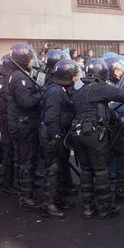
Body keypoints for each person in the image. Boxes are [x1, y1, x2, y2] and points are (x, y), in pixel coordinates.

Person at [71, 59, 124, 219]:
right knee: (101, 170)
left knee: (86, 170)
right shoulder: (100, 87)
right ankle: (105, 206)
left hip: (77, 134)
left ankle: (88, 207)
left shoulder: (80, 90)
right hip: (94, 134)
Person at [6, 44, 43, 211]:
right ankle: (26, 198)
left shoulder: (15, 75)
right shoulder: (20, 78)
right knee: (27, 160)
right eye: (29, 59)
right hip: (24, 123)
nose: (31, 61)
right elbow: (26, 102)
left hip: (18, 122)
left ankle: (24, 193)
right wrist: (40, 94)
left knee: (22, 160)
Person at [40, 59, 79, 218]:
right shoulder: (55, 91)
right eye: (75, 75)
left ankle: (58, 199)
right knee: (53, 169)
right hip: (52, 134)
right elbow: (51, 117)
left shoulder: (63, 89)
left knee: (61, 167)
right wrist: (55, 136)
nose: (76, 78)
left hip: (60, 133)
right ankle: (49, 204)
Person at [104, 56, 124, 203]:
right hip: (113, 126)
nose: (120, 73)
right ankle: (115, 177)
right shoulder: (107, 87)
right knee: (120, 153)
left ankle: (121, 175)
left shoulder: (117, 85)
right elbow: (115, 106)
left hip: (121, 124)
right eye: (118, 70)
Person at [0, 55, 17, 195]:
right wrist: (13, 107)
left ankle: (13, 180)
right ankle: (8, 184)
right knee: (9, 151)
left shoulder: (8, 79)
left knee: (13, 151)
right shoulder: (0, 82)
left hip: (9, 118)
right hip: (5, 120)